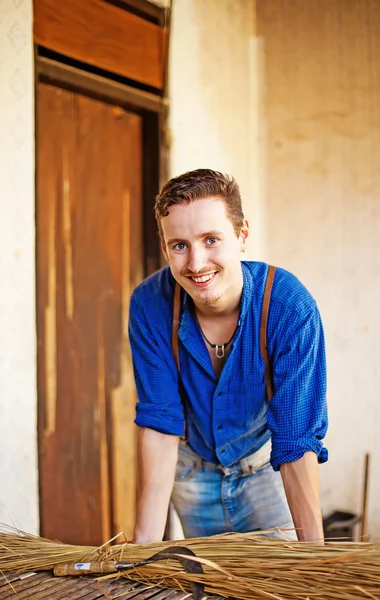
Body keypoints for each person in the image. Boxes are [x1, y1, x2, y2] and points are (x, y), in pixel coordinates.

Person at [128, 169, 328, 544]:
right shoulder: (149, 304)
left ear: (242, 236)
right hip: (189, 475)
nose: (196, 264)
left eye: (211, 239)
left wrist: (313, 557)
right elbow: (160, 421)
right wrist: (144, 549)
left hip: (264, 471)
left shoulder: (289, 307)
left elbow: (296, 439)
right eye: (180, 245)